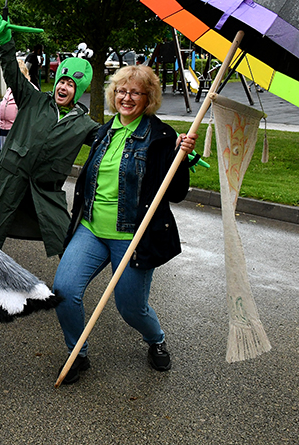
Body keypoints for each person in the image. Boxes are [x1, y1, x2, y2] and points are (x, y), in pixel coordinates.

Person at [53, 65, 197, 384]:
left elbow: (176, 194)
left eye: (135, 92)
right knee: (63, 291)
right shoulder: (104, 133)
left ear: (149, 98)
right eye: (121, 90)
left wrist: (181, 158)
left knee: (130, 308)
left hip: (132, 236)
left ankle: (156, 339)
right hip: (91, 230)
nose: (126, 97)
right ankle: (77, 351)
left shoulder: (161, 137)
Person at [0, 26, 100, 258]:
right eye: (61, 81)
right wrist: (7, 44)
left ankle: (69, 281)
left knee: (67, 240)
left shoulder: (83, 124)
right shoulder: (33, 99)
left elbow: (111, 140)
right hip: (9, 180)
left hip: (44, 191)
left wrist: (166, 143)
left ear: (79, 89)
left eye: (71, 85)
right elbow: (13, 72)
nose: (63, 87)